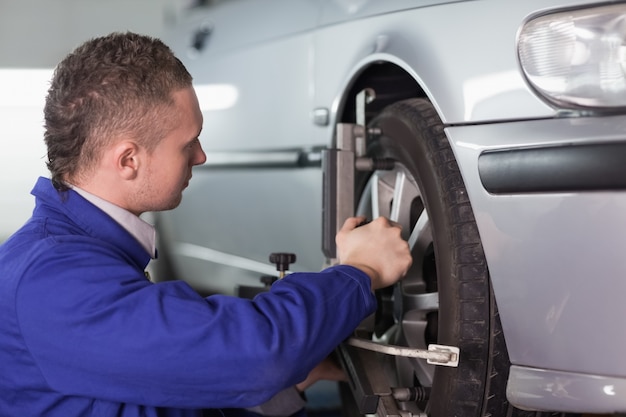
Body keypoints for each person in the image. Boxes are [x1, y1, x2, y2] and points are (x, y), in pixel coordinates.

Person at [0, 32, 412, 417]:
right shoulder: (54, 281)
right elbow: (256, 355)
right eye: (188, 143)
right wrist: (359, 272)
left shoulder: (67, 256)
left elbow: (146, 396)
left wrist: (290, 381)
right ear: (128, 160)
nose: (201, 156)